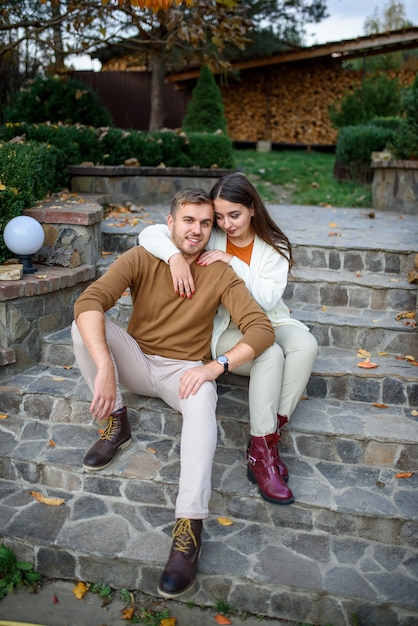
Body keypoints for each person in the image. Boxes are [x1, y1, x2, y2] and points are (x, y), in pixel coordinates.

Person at [71, 188, 277, 600]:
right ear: (171, 224)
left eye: (205, 223)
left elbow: (261, 329)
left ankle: (188, 528)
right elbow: (90, 299)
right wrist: (107, 366)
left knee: (203, 399)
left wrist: (215, 365)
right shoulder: (144, 256)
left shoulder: (220, 272)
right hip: (136, 359)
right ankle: (117, 420)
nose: (197, 230)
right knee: (83, 324)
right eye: (189, 221)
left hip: (183, 370)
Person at [138, 172, 318, 500]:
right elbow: (150, 233)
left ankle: (266, 438)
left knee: (306, 345)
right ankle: (263, 456)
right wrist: (175, 256)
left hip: (269, 320)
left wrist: (231, 260)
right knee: (270, 354)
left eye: (234, 215)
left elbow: (265, 300)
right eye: (219, 216)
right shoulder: (213, 235)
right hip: (225, 327)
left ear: (252, 208)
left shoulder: (274, 246)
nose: (226, 224)